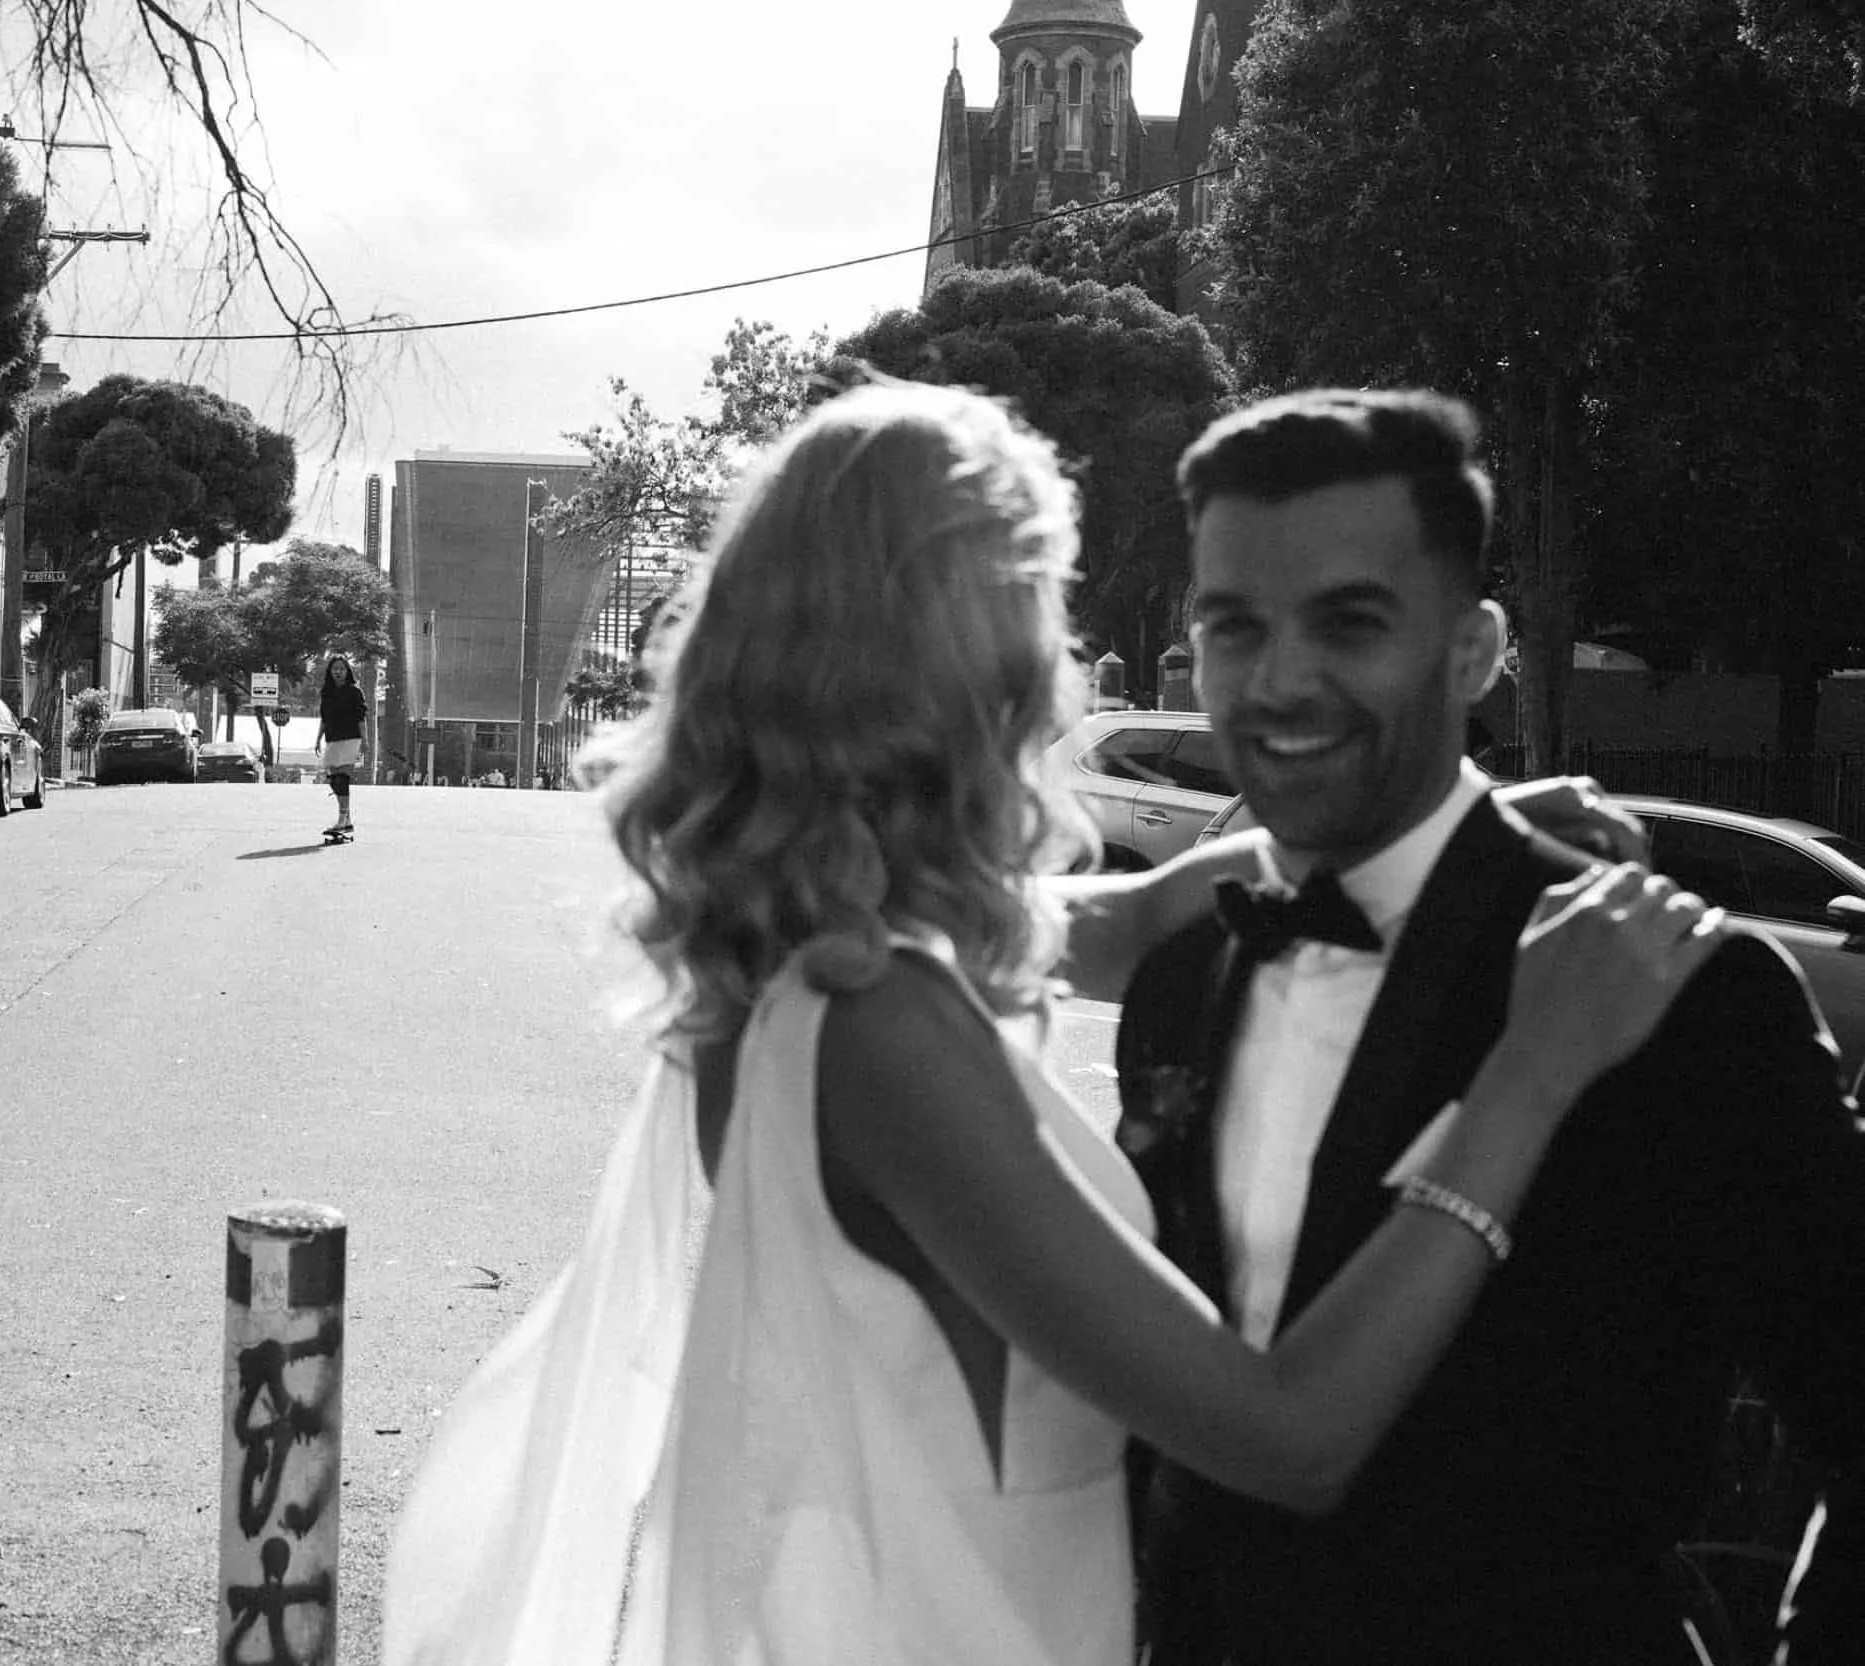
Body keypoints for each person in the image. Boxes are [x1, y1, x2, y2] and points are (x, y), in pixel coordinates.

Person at [380, 380, 1724, 1666]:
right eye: (1039, 601)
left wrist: (1457, 838)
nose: (1065, 656)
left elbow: (1123, 918)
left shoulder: (809, 958)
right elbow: (1287, 1434)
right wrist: (1523, 1082)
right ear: (966, 654)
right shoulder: (883, 1029)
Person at [1117, 388, 1865, 1664]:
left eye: (1350, 622)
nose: (1280, 679)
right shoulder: (1186, 972)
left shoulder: (1681, 993)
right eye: (1233, 626)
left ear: (1475, 650)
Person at [313, 656, 367, 838]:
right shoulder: (326, 693)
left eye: (341, 669)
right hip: (333, 738)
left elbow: (361, 717)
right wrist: (318, 737)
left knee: (342, 777)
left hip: (351, 738)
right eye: (335, 668)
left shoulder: (354, 692)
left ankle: (342, 819)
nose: (338, 672)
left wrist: (365, 740)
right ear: (330, 671)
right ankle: (347, 819)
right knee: (334, 779)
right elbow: (324, 718)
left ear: (347, 671)